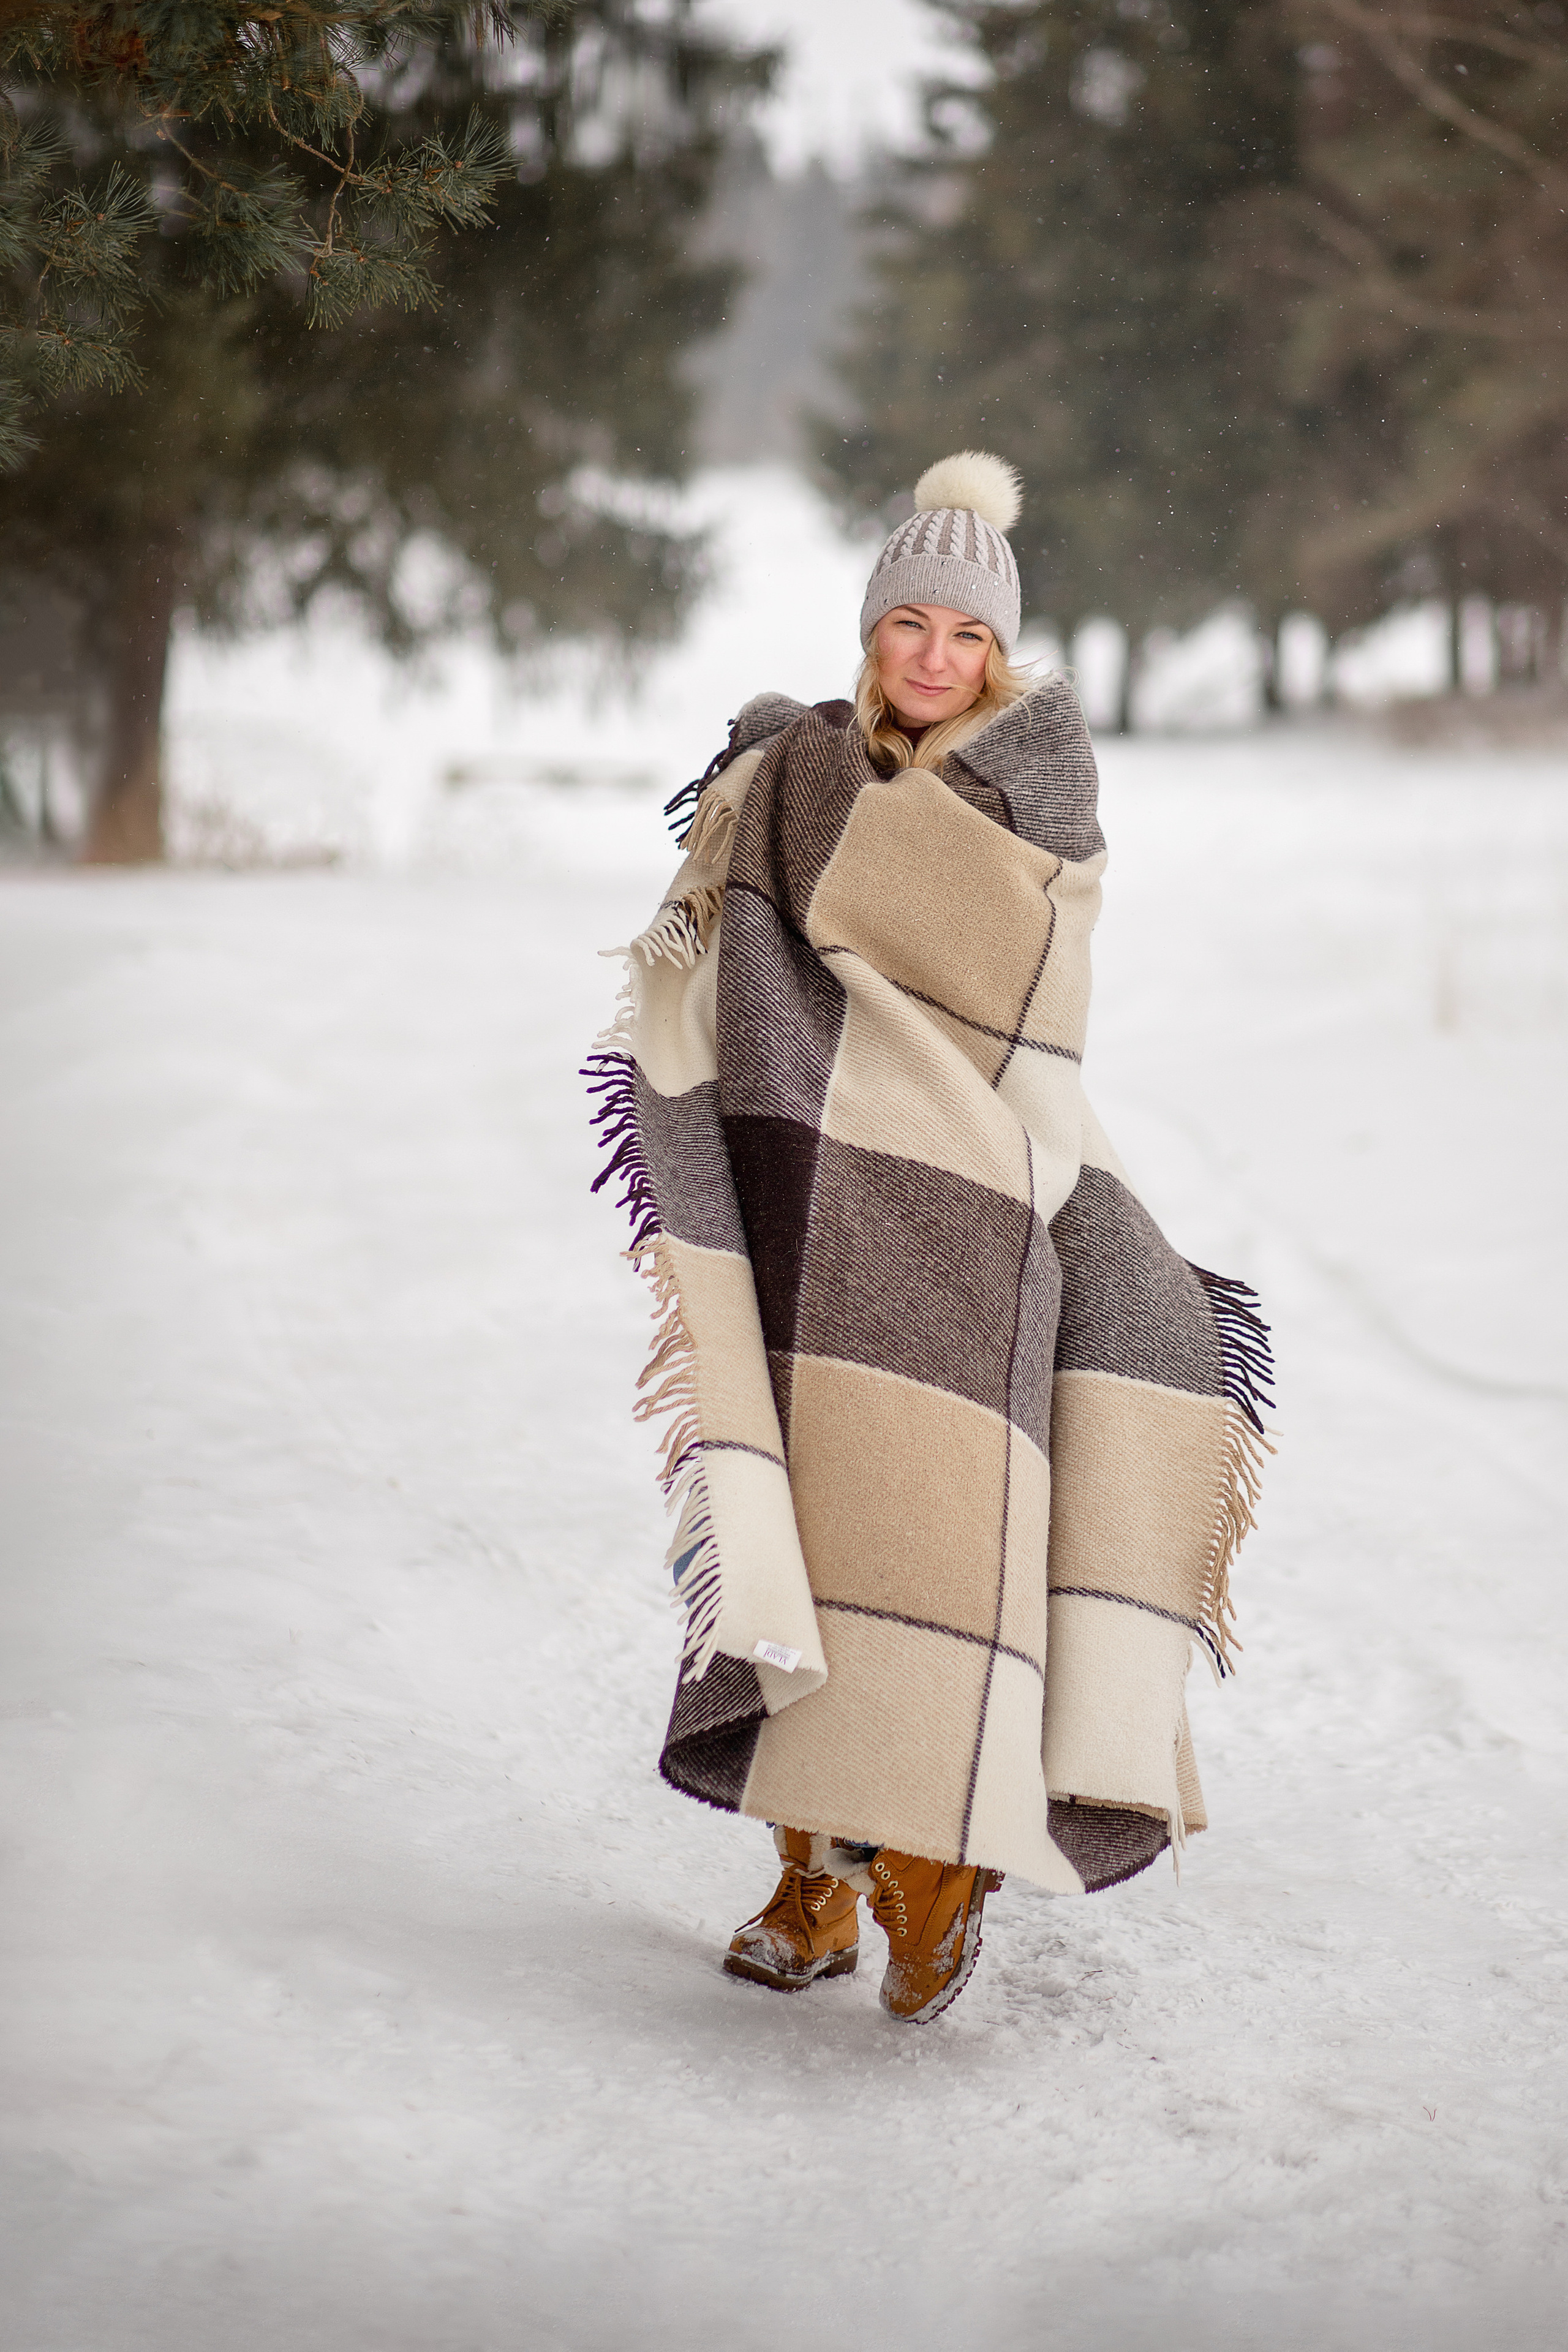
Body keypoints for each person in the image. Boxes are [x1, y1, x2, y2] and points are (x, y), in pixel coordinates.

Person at [587, 452, 1273, 2026]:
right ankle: (811, 1877)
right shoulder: (798, 772)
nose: (934, 657)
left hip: (972, 1196)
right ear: (871, 631)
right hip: (814, 1193)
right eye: (908, 624)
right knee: (812, 1531)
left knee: (935, 1534)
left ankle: (932, 1868)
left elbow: (1022, 1009)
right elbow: (730, 947)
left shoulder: (1036, 798)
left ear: (999, 651)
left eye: (964, 635)